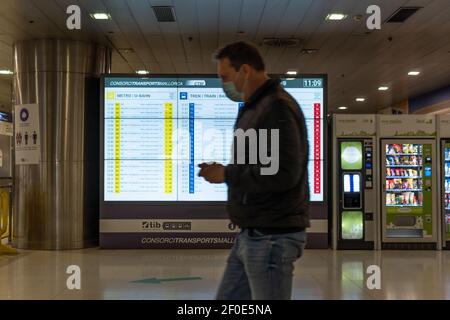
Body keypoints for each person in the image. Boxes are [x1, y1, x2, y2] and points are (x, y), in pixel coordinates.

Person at [198, 41, 310, 300]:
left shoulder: (276, 108)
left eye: (225, 77)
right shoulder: (256, 108)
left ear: (245, 70)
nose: (225, 84)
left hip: (271, 238)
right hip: (253, 233)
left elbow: (283, 173)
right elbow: (259, 164)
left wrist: (226, 175)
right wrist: (224, 171)